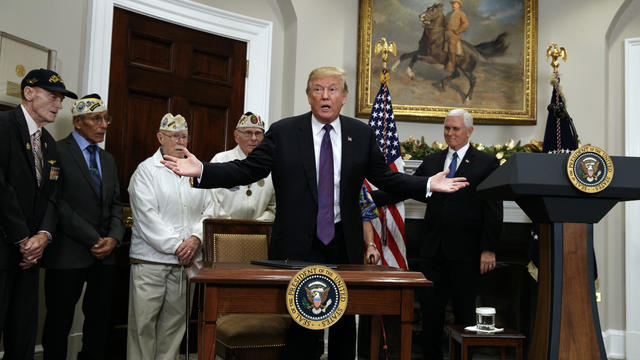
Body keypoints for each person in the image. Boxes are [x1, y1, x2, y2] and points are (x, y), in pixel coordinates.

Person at [162, 66, 468, 359]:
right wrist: (202, 170)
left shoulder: (359, 134)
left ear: (344, 96)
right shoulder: (284, 132)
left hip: (343, 243)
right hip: (297, 244)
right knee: (300, 325)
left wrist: (426, 183)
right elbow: (247, 169)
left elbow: (385, 177)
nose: (325, 96)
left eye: (333, 89)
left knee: (344, 324)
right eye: (318, 89)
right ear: (308, 96)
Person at [376, 108, 502, 360]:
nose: (450, 133)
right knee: (431, 316)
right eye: (447, 128)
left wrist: (489, 248)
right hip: (432, 254)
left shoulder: (486, 163)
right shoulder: (433, 161)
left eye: (455, 129)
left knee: (466, 316)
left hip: (468, 254)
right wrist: (370, 200)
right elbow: (406, 189)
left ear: (469, 131)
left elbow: (493, 208)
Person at [0, 68, 77, 359]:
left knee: (23, 337)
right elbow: (2, 189)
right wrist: (22, 237)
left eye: (62, 100)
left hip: (30, 258)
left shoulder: (49, 144)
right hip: (6, 249)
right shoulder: (3, 126)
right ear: (28, 92)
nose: (59, 105)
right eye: (53, 97)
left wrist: (43, 236)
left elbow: (53, 197)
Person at [40, 94, 124, 359]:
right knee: (58, 322)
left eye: (105, 118)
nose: (104, 124)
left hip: (105, 256)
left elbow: (115, 205)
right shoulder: (57, 151)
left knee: (99, 323)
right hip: (67, 253)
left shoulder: (107, 159)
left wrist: (113, 238)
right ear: (78, 122)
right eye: (96, 119)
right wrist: (93, 239)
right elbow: (57, 202)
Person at [126, 113, 213, 360]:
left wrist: (196, 238)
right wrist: (179, 246)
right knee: (143, 327)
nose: (179, 141)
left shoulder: (197, 170)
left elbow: (211, 208)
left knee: (175, 327)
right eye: (173, 136)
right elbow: (147, 218)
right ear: (160, 137)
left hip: (185, 264)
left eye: (183, 136)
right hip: (150, 263)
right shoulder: (145, 171)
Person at [209, 112, 275, 221]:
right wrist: (231, 225)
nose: (253, 138)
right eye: (248, 133)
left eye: (258, 133)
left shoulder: (270, 165)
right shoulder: (220, 160)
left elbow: (273, 206)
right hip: (224, 229)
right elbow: (210, 200)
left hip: (259, 232)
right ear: (236, 136)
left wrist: (258, 225)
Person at [445, 0, 469, 72]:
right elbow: (445, 23)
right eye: (452, 4)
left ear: (459, 5)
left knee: (451, 46)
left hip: (454, 34)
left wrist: (458, 30)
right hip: (446, 32)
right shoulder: (448, 14)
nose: (453, 5)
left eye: (455, 4)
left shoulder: (461, 14)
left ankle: (452, 64)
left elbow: (466, 23)